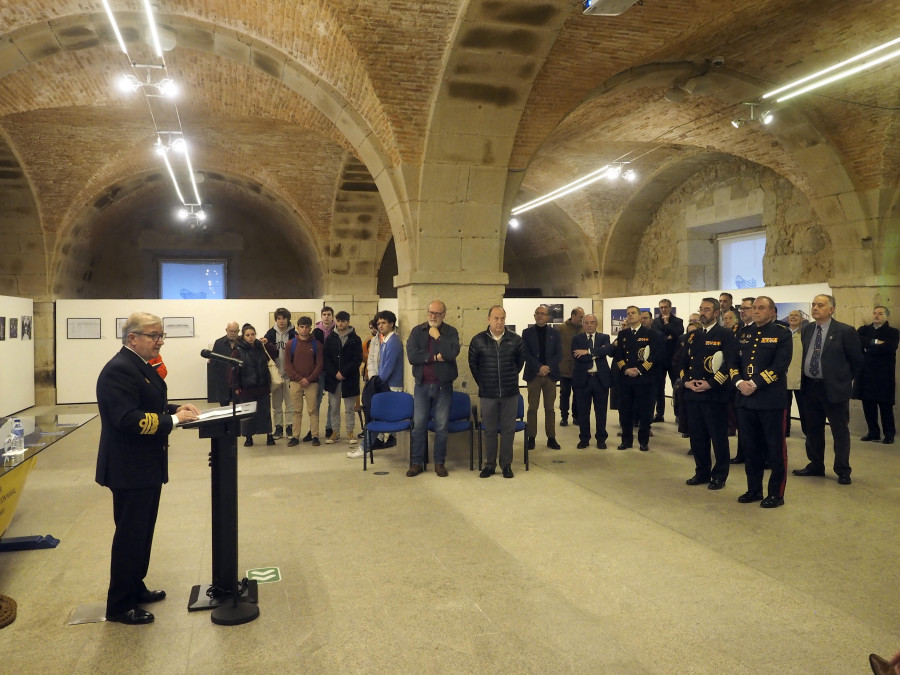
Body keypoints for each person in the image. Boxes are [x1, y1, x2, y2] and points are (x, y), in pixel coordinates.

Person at [96, 312, 199, 625]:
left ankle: (135, 586)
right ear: (133, 338)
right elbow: (127, 418)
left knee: (142, 531)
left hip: (145, 465)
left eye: (160, 334)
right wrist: (172, 421)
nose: (160, 341)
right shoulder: (118, 370)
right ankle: (119, 604)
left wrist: (173, 408)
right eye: (154, 335)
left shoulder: (137, 366)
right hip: (129, 467)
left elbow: (146, 403)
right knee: (130, 534)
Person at [793, 294, 863, 484]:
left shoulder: (845, 331)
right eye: (814, 305)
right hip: (810, 387)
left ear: (831, 309)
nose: (815, 308)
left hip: (834, 388)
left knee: (839, 430)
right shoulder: (807, 329)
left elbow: (857, 361)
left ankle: (842, 469)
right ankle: (815, 464)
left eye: (820, 305)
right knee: (813, 429)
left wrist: (842, 379)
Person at [730, 296, 792, 508]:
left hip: (770, 400)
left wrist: (754, 383)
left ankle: (776, 493)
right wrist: (739, 383)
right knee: (751, 448)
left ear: (772, 311)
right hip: (745, 401)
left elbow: (779, 366)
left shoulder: (782, 334)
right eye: (753, 307)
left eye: (761, 308)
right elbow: (733, 362)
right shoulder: (743, 333)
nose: (756, 311)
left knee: (775, 450)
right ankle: (753, 489)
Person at [681, 298, 736, 490]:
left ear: (716, 313)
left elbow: (730, 364)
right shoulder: (692, 336)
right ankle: (701, 472)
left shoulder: (726, 335)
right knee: (697, 436)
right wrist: (686, 381)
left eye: (707, 310)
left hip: (714, 395)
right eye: (701, 309)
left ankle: (719, 475)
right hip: (693, 393)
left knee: (718, 437)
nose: (702, 313)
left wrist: (711, 383)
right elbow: (683, 363)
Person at [469, 305, 526, 479]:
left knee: (508, 430)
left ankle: (506, 465)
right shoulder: (478, 340)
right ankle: (490, 465)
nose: (499, 322)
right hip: (488, 393)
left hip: (510, 392)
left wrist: (506, 379)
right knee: (490, 431)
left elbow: (519, 364)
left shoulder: (515, 340)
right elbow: (474, 366)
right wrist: (485, 383)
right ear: (488, 319)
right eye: (496, 318)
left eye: (502, 318)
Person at [406, 300, 461, 477]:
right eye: (431, 312)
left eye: (437, 313)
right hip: (422, 385)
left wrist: (438, 336)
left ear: (444, 315)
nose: (433, 316)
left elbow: (452, 353)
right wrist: (434, 357)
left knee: (442, 426)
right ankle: (417, 462)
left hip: (443, 386)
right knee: (419, 425)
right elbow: (412, 356)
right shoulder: (417, 331)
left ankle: (439, 463)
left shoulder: (450, 332)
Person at [351, 310, 403, 459]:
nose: (380, 326)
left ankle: (364, 448)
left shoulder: (393, 341)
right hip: (383, 384)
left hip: (390, 386)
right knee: (374, 417)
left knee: (376, 418)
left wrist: (376, 382)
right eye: (379, 323)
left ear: (391, 324)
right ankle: (365, 446)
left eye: (384, 323)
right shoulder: (384, 340)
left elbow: (388, 367)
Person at [614, 305, 664, 451]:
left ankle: (643, 441)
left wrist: (640, 370)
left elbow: (654, 356)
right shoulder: (623, 334)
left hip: (644, 379)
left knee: (645, 411)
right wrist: (625, 369)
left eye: (633, 313)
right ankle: (626, 440)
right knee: (625, 411)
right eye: (628, 313)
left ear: (640, 316)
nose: (630, 315)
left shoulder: (650, 334)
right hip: (626, 379)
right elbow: (619, 356)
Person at [853, 305, 898, 444]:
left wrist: (868, 347)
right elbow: (856, 343)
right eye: (874, 313)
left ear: (886, 316)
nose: (876, 316)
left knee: (885, 407)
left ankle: (889, 434)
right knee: (868, 405)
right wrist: (876, 343)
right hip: (866, 373)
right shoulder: (864, 329)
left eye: (880, 313)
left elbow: (890, 347)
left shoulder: (892, 332)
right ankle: (873, 433)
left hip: (883, 374)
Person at [523, 305, 562, 450]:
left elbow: (559, 354)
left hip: (550, 376)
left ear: (547, 317)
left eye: (543, 314)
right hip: (534, 375)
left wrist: (547, 368)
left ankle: (551, 437)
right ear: (534, 316)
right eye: (538, 313)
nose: (540, 316)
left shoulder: (555, 333)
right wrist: (538, 367)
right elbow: (526, 353)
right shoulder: (526, 333)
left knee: (550, 408)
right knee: (532, 408)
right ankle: (531, 437)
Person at [231, 323, 278, 446]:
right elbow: (233, 369)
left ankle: (269, 435)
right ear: (243, 336)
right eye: (248, 335)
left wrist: (267, 343)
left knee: (265, 412)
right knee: (247, 415)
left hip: (262, 386)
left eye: (253, 334)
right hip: (247, 388)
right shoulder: (238, 351)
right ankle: (248, 437)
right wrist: (235, 386)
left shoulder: (261, 346)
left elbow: (275, 354)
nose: (251, 337)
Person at [571, 314, 613, 449]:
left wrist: (588, 351)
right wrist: (597, 354)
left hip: (600, 380)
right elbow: (579, 357)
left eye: (592, 322)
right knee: (583, 412)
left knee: (601, 412)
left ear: (596, 324)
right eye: (586, 322)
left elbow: (608, 350)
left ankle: (601, 439)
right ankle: (584, 438)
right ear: (583, 324)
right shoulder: (576, 339)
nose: (589, 325)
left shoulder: (604, 337)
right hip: (583, 380)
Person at [284, 316, 324, 448]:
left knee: (313, 410)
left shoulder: (316, 344)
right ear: (297, 328)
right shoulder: (291, 344)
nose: (304, 329)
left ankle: (315, 436)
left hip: (311, 383)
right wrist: (299, 378)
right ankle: (295, 436)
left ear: (310, 328)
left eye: (307, 327)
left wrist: (309, 379)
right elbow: (287, 365)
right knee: (296, 411)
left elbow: (319, 365)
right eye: (302, 327)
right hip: (296, 382)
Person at [324, 310, 363, 445]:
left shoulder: (355, 339)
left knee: (349, 408)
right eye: (339, 321)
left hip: (349, 378)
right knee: (334, 408)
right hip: (333, 378)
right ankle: (335, 432)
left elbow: (357, 359)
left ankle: (350, 432)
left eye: (343, 321)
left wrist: (344, 372)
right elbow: (326, 358)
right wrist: (335, 372)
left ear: (348, 322)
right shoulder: (330, 338)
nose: (340, 323)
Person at [264, 308, 296, 440]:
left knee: (290, 403)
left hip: (290, 375)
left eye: (283, 318)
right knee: (276, 404)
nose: (281, 321)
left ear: (287, 319)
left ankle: (289, 426)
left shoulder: (294, 334)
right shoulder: (270, 334)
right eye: (279, 319)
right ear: (276, 320)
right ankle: (278, 427)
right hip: (276, 376)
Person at [651, 298, 684, 423]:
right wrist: (668, 336)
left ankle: (678, 414)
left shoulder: (678, 321)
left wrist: (667, 325)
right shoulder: (655, 322)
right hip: (660, 359)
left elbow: (678, 333)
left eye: (665, 307)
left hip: (674, 359)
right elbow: (656, 336)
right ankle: (659, 414)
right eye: (661, 307)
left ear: (670, 308)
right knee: (659, 387)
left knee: (676, 386)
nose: (663, 309)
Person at [556, 307, 584, 427]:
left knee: (578, 394)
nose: (582, 319)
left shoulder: (583, 329)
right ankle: (564, 416)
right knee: (565, 394)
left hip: (579, 368)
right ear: (573, 316)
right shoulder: (561, 328)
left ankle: (576, 417)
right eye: (580, 317)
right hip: (565, 368)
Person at [313, 306, 337, 440]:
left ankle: (329, 427)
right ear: (321, 316)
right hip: (320, 371)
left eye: (329, 314)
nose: (326, 317)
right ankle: (314, 429)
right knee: (317, 401)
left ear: (332, 316)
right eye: (324, 314)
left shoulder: (337, 330)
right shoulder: (316, 331)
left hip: (333, 371)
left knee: (332, 402)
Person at [207, 321, 240, 405]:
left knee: (239, 406)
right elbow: (214, 363)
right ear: (226, 330)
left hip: (238, 382)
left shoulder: (242, 343)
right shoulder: (219, 343)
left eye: (235, 331)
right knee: (224, 407)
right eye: (230, 331)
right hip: (223, 382)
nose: (233, 333)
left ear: (238, 331)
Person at [786, 310, 806, 437]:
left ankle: (807, 431)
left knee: (804, 408)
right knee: (785, 408)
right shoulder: (783, 333)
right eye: (791, 315)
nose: (793, 318)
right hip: (785, 377)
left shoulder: (805, 334)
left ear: (801, 319)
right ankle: (785, 430)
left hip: (801, 377)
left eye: (796, 315)